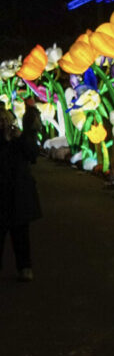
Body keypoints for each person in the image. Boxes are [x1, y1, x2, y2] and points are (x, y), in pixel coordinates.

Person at [0, 102, 42, 281]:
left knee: (21, 233)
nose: (3, 123)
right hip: (1, 194)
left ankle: (24, 267)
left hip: (18, 192)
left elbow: (33, 155)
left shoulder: (20, 139)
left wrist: (19, 137)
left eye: (5, 120)